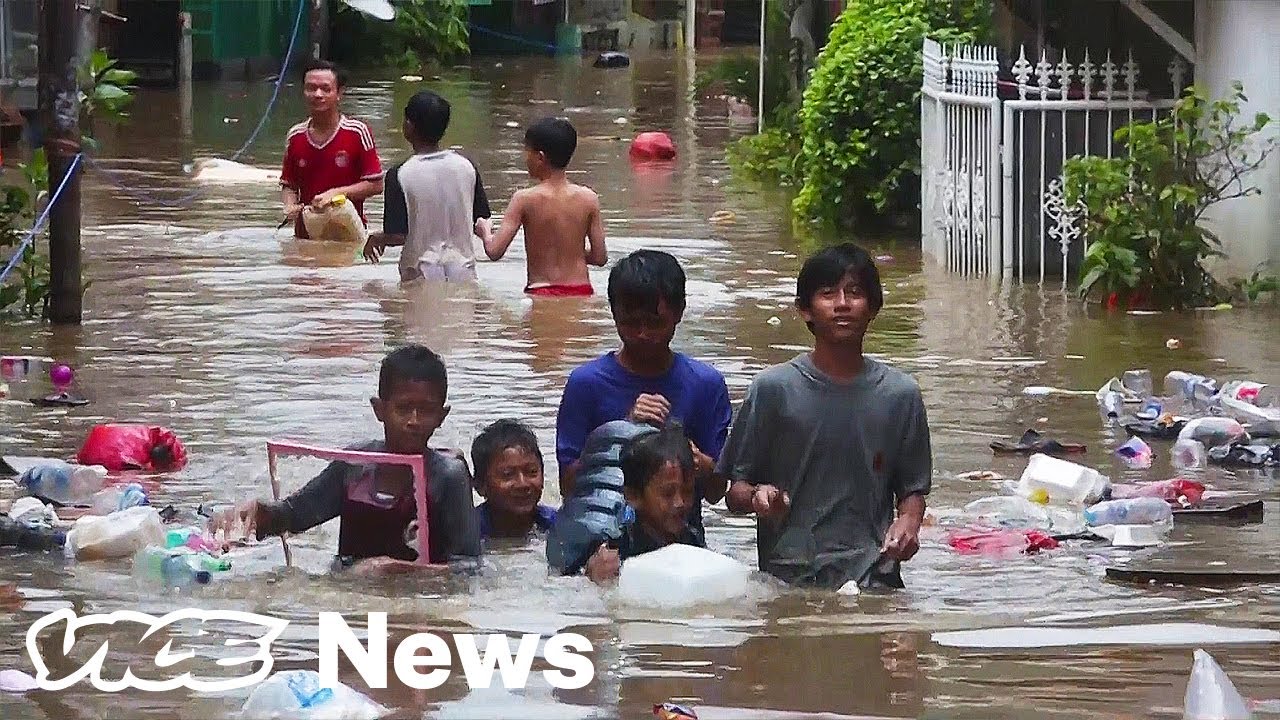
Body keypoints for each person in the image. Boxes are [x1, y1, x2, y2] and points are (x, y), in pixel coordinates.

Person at [717, 243, 932, 591]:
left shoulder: (901, 395)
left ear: (874, 307)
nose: (843, 304)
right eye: (828, 293)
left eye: (856, 293)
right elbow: (734, 492)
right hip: (789, 578)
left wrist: (909, 523)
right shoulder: (773, 389)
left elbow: (912, 489)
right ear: (805, 310)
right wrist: (759, 496)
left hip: (875, 576)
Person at [211, 345, 480, 574]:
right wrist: (257, 514)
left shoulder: (449, 477)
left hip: (420, 601)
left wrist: (396, 570)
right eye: (403, 408)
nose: (413, 421)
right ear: (380, 409)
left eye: (426, 410)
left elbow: (468, 568)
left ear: (441, 417)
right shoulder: (354, 467)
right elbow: (295, 515)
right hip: (352, 591)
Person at [555, 250, 731, 545]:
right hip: (602, 542)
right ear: (613, 313)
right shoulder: (586, 384)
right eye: (630, 323)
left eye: (655, 322)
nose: (643, 334)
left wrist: (695, 461)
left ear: (679, 312)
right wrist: (623, 430)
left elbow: (716, 492)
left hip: (682, 541)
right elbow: (570, 486)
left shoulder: (706, 385)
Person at [364, 90, 493, 282]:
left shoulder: (400, 174)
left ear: (408, 125)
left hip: (420, 275)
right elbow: (480, 220)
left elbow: (398, 234)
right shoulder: (466, 167)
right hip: (464, 273)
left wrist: (378, 238)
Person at [482, 117, 607, 296]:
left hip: (541, 291)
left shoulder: (524, 199)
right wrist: (571, 250)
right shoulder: (589, 198)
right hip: (582, 291)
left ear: (540, 157)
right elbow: (600, 258)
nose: (525, 158)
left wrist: (485, 231)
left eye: (527, 151)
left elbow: (494, 251)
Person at [582, 423, 704, 584]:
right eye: (667, 493)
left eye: (687, 491)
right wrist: (599, 581)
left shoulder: (692, 541)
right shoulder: (616, 554)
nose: (679, 502)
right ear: (633, 496)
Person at [280, 59, 384, 240]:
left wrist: (336, 193)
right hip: (306, 237)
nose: (317, 94)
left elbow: (376, 185)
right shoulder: (295, 136)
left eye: (325, 89)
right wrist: (290, 206)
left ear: (339, 93)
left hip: (349, 234)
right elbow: (289, 184)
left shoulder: (358, 132)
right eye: (311, 88)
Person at [471, 419, 557, 539]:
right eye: (507, 474)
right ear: (480, 486)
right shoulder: (465, 531)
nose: (522, 484)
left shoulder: (558, 525)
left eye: (532, 472)